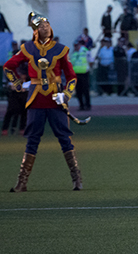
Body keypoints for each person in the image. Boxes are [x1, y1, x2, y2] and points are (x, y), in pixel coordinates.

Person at [4, 13, 83, 191]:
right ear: (35, 30)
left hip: (56, 100)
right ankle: (22, 182)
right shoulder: (27, 48)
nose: (45, 27)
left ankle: (76, 179)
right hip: (35, 100)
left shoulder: (61, 49)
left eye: (47, 24)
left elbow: (71, 77)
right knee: (32, 140)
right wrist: (17, 84)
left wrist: (67, 94)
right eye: (41, 26)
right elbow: (8, 66)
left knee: (65, 139)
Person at [2, 41, 26, 136]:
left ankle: (22, 129)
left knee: (24, 110)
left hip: (24, 90)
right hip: (13, 89)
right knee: (11, 110)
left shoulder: (25, 66)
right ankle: (5, 129)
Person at [69, 39, 92, 111]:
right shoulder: (74, 54)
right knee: (78, 91)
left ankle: (87, 105)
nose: (75, 47)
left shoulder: (85, 51)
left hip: (84, 72)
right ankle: (81, 105)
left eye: (76, 45)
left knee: (85, 90)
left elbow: (90, 60)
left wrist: (89, 68)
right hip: (76, 73)